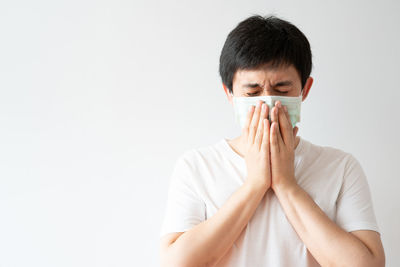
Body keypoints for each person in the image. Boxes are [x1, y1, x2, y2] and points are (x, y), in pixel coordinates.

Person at [159, 14, 385, 267]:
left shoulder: (341, 167)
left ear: (304, 90)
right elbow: (176, 263)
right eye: (252, 92)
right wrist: (255, 184)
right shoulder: (197, 166)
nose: (267, 102)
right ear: (230, 94)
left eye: (282, 90)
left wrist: (286, 185)